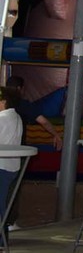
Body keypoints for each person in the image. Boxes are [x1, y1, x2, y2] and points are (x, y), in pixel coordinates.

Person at [0, 86, 24, 239]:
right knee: (3, 203)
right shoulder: (16, 117)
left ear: (3, 101)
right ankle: (3, 239)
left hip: (1, 166)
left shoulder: (2, 119)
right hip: (12, 166)